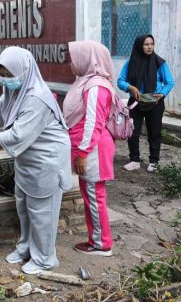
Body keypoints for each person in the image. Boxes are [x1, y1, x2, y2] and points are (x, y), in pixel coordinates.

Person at [0, 47, 72, 275]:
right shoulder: (15, 91)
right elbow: (4, 111)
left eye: (10, 75)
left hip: (46, 161)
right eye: (2, 75)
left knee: (42, 212)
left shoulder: (36, 98)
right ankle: (26, 248)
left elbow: (17, 135)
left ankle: (45, 259)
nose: (7, 80)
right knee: (24, 207)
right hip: (27, 159)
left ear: (25, 71)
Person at [63, 40, 116, 257]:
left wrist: (82, 153)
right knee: (91, 195)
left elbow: (93, 123)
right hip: (90, 149)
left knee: (94, 197)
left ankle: (101, 244)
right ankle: (96, 239)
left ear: (87, 59)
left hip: (92, 150)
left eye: (74, 58)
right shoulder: (87, 82)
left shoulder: (95, 86)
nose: (70, 63)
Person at [117, 34, 174, 172]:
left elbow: (170, 82)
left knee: (154, 132)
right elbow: (120, 81)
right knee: (133, 131)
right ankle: (134, 160)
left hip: (154, 103)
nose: (149, 47)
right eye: (146, 44)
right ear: (139, 46)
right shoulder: (131, 63)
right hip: (136, 102)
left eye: (151, 44)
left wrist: (162, 94)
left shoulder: (160, 63)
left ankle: (154, 162)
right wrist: (130, 87)